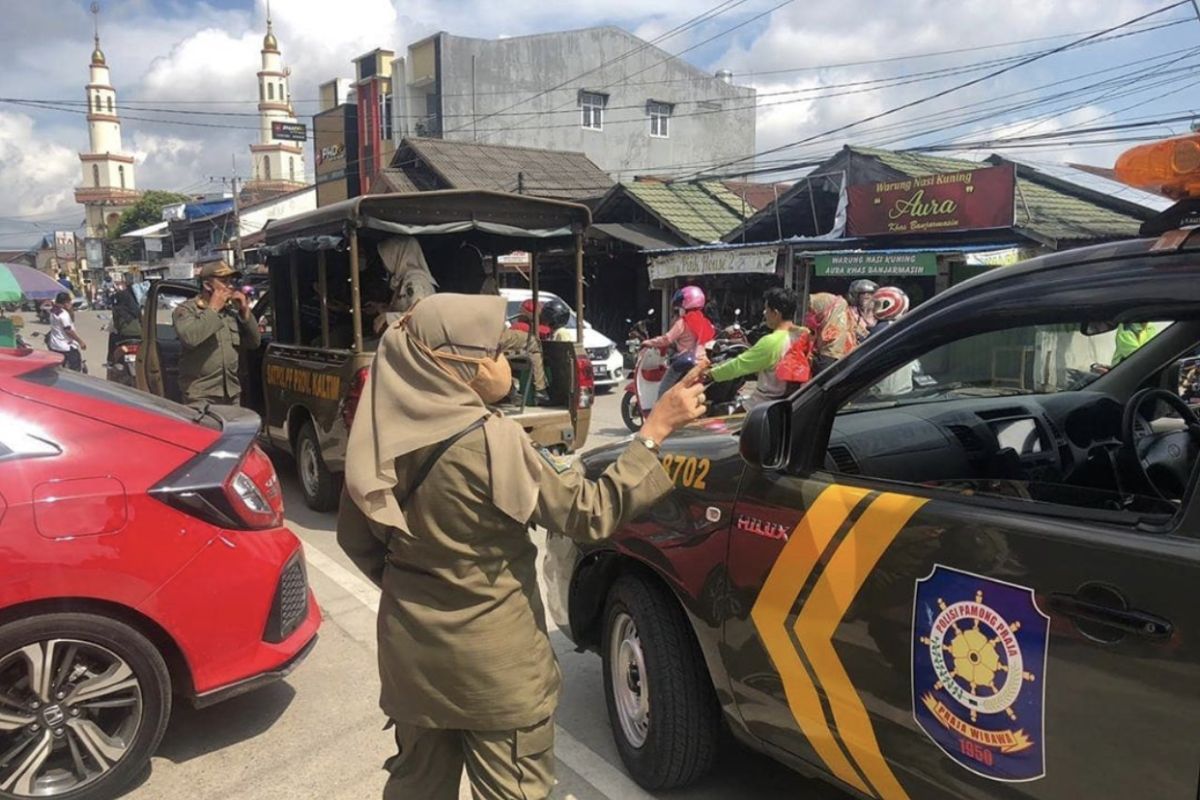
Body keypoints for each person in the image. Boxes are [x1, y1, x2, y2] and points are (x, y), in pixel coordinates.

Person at [335, 294, 707, 800]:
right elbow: (589, 512)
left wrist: (424, 584)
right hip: (496, 670)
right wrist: (655, 430)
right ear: (454, 364)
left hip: (412, 662)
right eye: (490, 351)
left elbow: (358, 542)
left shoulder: (379, 435)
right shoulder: (490, 440)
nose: (501, 362)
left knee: (416, 788)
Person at [173, 261, 261, 406]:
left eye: (231, 281)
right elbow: (190, 338)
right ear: (208, 285)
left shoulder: (230, 313)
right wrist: (213, 308)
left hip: (231, 392)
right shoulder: (187, 310)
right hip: (201, 394)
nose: (230, 286)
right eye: (224, 282)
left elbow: (254, 343)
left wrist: (245, 312)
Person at [708, 288, 811, 409]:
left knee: (725, 423)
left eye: (766, 309)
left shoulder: (772, 341)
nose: (764, 313)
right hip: (789, 400)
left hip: (764, 403)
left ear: (776, 313)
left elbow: (739, 365)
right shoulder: (803, 334)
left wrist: (710, 374)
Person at [640, 285, 715, 360]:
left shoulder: (683, 322)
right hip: (703, 360)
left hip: (686, 361)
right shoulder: (705, 322)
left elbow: (667, 339)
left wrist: (648, 342)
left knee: (668, 371)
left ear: (687, 304)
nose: (678, 309)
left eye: (679, 306)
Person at [806, 292, 857, 373]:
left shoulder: (833, 342)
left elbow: (823, 369)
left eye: (811, 311)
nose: (809, 315)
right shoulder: (824, 331)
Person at [47, 291, 86, 371]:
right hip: (66, 347)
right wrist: (80, 341)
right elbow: (68, 331)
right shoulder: (63, 314)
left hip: (55, 345)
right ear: (65, 302)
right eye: (69, 302)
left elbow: (70, 321)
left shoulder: (53, 311)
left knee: (59, 369)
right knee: (75, 368)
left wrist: (70, 310)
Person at [846, 278, 878, 343]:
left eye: (870, 293)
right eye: (863, 293)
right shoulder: (850, 313)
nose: (867, 295)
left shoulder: (881, 312)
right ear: (856, 296)